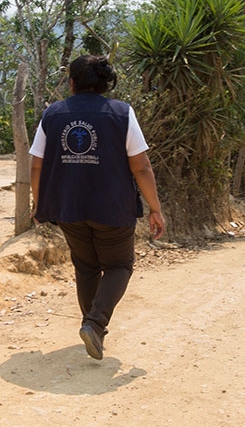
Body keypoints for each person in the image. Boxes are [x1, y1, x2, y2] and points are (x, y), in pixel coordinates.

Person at [30, 54, 165, 360]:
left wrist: (40, 205)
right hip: (113, 208)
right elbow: (141, 167)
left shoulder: (53, 115)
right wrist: (155, 208)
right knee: (119, 265)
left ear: (72, 83)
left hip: (68, 207)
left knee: (87, 266)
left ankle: (93, 329)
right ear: (105, 84)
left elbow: (36, 166)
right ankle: (94, 323)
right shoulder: (121, 113)